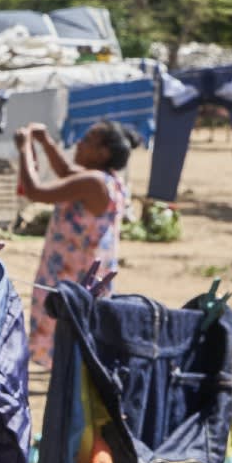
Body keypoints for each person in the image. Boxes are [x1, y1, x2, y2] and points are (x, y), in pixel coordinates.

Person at [15, 120, 135, 368]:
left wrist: (25, 148)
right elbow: (65, 171)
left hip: (73, 272)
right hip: (82, 270)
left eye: (88, 141)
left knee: (64, 326)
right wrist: (45, 142)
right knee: (77, 329)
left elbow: (36, 191)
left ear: (103, 153)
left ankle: (68, 380)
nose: (79, 144)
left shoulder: (92, 182)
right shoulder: (106, 180)